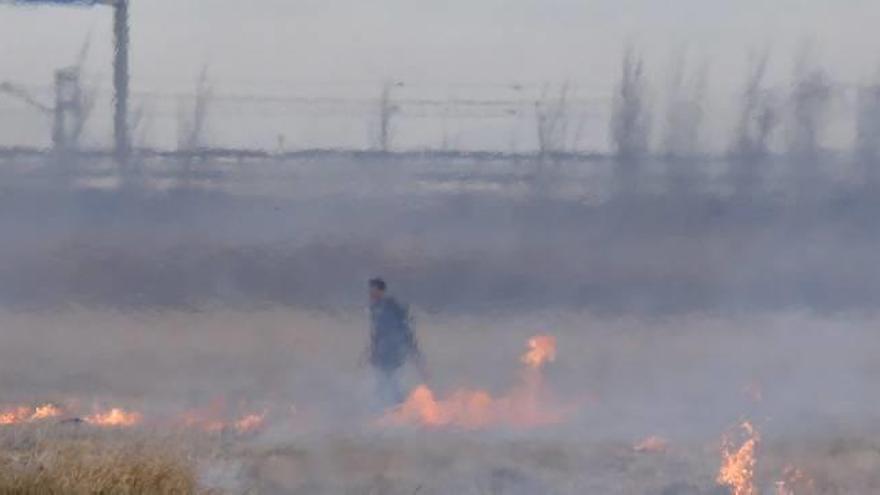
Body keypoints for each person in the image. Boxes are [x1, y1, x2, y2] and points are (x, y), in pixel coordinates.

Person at [364, 277, 426, 406]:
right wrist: (371, 352)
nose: (371, 294)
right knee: (382, 385)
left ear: (381, 291)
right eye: (370, 291)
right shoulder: (375, 309)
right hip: (381, 356)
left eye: (374, 291)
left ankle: (400, 407)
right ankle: (389, 409)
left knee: (392, 384)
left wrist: (413, 352)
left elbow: (403, 331)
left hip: (393, 355)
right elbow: (377, 334)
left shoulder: (391, 307)